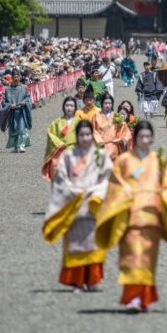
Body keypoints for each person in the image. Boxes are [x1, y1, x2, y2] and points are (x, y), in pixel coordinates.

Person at [94, 121, 167, 313]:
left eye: (148, 137)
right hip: (130, 216)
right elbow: (115, 185)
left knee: (148, 259)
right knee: (131, 257)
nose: (145, 140)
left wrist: (163, 197)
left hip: (151, 216)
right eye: (141, 137)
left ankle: (144, 298)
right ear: (135, 138)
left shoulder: (158, 161)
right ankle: (133, 297)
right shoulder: (124, 161)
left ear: (151, 138)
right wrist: (127, 193)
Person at [42, 120, 112, 293]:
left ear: (92, 136)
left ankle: (93, 279)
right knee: (76, 243)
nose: (85, 138)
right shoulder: (68, 156)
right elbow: (61, 181)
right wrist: (75, 192)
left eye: (88, 134)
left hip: (93, 204)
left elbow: (108, 179)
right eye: (82, 135)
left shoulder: (100, 156)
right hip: (74, 204)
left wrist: (95, 193)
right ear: (77, 136)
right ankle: (78, 281)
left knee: (93, 243)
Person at [43, 96, 78, 182]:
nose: (69, 108)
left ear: (75, 108)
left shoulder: (80, 122)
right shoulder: (57, 122)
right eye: (67, 105)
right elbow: (50, 134)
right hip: (60, 153)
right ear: (63, 107)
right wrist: (60, 144)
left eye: (72, 106)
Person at [0, 70, 32, 153]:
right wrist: (10, 105)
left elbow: (28, 98)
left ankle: (22, 145)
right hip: (12, 112)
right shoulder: (8, 89)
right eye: (14, 77)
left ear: (19, 77)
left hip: (21, 111)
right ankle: (15, 146)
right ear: (12, 78)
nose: (16, 78)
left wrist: (24, 102)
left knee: (21, 129)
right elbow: (4, 101)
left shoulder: (24, 87)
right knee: (13, 129)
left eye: (17, 76)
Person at [92, 93, 131, 161]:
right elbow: (93, 130)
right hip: (101, 147)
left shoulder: (117, 116)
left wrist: (124, 139)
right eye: (105, 103)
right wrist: (99, 141)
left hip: (115, 147)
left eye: (110, 103)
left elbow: (125, 131)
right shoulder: (96, 116)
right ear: (102, 103)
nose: (108, 105)